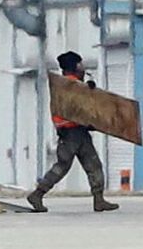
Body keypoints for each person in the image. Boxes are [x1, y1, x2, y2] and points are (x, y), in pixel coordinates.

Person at [25, 51, 119, 213]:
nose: (82, 67)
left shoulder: (66, 85)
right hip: (71, 133)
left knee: (92, 165)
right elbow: (82, 108)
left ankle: (99, 200)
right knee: (67, 167)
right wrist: (89, 92)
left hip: (77, 131)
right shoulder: (71, 86)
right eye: (80, 64)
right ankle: (37, 194)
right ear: (74, 66)